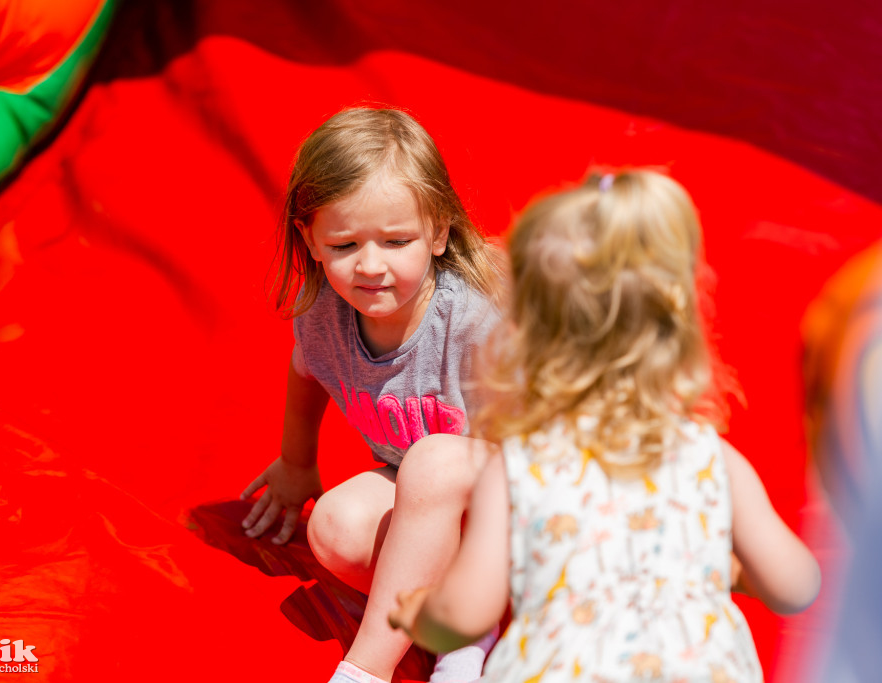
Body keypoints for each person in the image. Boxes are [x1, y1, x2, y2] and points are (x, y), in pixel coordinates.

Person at [389, 170, 821, 682]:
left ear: (523, 340)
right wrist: (729, 572)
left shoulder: (518, 470)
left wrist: (425, 616)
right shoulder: (712, 459)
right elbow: (797, 587)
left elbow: (469, 611)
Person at [240, 107, 504, 683]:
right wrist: (297, 460)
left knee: (434, 461)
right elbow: (304, 369)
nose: (370, 266)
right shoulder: (324, 318)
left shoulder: (475, 323)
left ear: (438, 231)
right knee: (334, 527)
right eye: (344, 244)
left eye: (396, 240)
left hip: (524, 514)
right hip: (446, 515)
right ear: (308, 238)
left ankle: (364, 670)